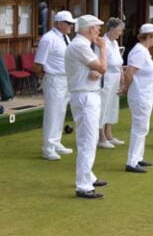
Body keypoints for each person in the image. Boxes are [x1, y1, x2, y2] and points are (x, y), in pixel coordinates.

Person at [65, 14, 107, 199]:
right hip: (84, 96)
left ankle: (88, 176)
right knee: (88, 141)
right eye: (97, 27)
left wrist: (95, 72)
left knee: (89, 139)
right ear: (90, 29)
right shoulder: (80, 45)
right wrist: (103, 49)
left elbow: (95, 69)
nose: (99, 31)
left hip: (87, 93)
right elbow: (102, 67)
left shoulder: (80, 45)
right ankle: (83, 185)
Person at [35, 10, 75, 161]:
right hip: (54, 79)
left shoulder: (65, 38)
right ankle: (48, 147)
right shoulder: (48, 39)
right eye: (68, 23)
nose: (71, 26)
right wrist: (44, 77)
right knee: (52, 113)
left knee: (61, 111)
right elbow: (38, 63)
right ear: (59, 23)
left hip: (65, 79)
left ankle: (56, 142)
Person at [120, 23, 153, 173]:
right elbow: (130, 72)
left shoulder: (143, 51)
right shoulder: (139, 52)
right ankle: (131, 162)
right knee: (139, 127)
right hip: (140, 95)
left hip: (146, 94)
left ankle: (138, 158)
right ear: (149, 36)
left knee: (143, 127)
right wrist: (125, 88)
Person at [97, 18, 125, 150]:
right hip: (106, 78)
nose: (120, 33)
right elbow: (100, 62)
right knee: (104, 106)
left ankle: (109, 134)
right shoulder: (103, 43)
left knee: (112, 106)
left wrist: (122, 77)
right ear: (112, 29)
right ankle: (101, 137)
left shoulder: (114, 43)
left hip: (115, 78)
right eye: (119, 30)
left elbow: (118, 62)